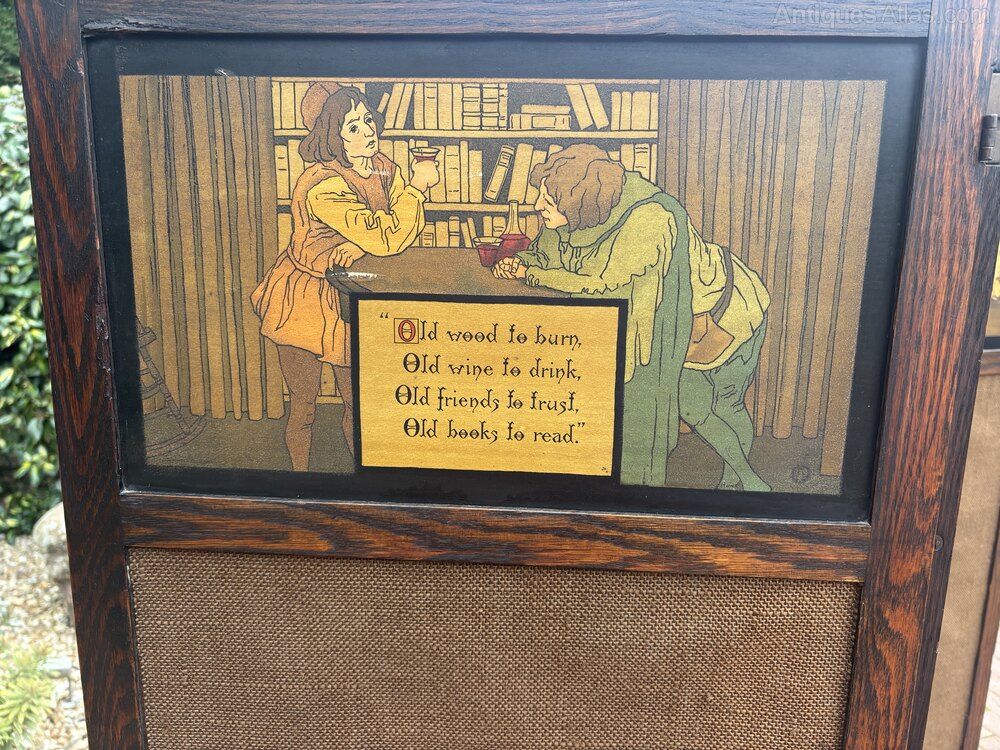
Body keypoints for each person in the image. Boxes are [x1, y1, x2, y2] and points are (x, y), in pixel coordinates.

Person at [493, 144, 770, 491]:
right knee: (690, 404)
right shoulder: (575, 210)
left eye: (547, 201)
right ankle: (746, 482)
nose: (537, 206)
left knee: (721, 403)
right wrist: (524, 263)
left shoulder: (650, 218)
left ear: (578, 201)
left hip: (727, 311)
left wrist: (533, 275)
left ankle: (737, 486)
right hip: (680, 319)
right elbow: (546, 254)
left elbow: (602, 282)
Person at [252, 84, 439, 471]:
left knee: (358, 403)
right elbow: (388, 235)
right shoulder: (323, 185)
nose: (368, 131)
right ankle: (300, 483)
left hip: (349, 292)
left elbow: (398, 232)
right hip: (306, 296)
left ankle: (360, 481)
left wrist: (359, 245)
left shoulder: (383, 166)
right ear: (330, 135)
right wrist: (418, 189)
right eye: (353, 126)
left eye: (368, 120)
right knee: (304, 405)